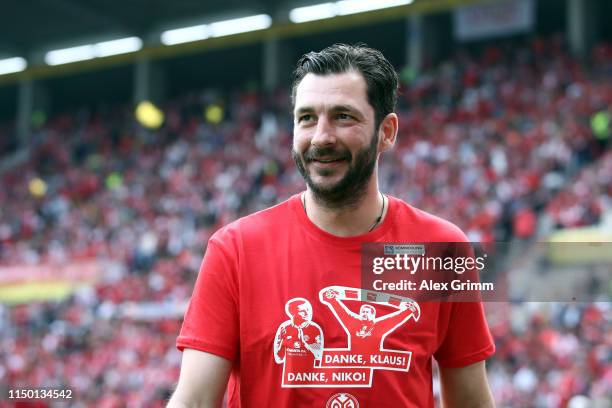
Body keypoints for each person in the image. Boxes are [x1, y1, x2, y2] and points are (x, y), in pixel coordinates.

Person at [168, 44, 495, 407]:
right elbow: (194, 402)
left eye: (343, 116)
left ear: (386, 132)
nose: (321, 137)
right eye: (307, 117)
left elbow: (471, 403)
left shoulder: (440, 249)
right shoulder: (236, 250)